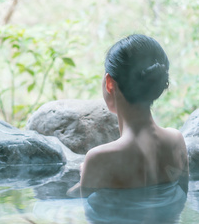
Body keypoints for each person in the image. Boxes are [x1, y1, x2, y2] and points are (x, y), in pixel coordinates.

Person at [68, 34, 189, 198]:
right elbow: (181, 196)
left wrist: (86, 173)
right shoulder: (176, 141)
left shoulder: (99, 159)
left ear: (109, 83)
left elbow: (91, 217)